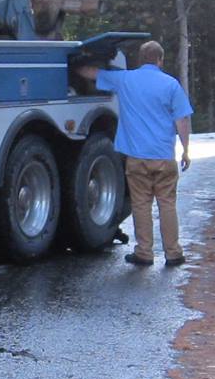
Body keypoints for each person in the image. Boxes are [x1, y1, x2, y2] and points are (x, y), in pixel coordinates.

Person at [72, 41, 193, 267]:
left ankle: (144, 253)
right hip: (164, 157)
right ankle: (173, 253)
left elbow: (93, 73)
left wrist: (72, 64)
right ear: (160, 60)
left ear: (140, 59)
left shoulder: (125, 80)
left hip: (136, 159)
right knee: (167, 204)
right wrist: (185, 150)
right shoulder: (171, 85)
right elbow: (182, 119)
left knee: (141, 204)